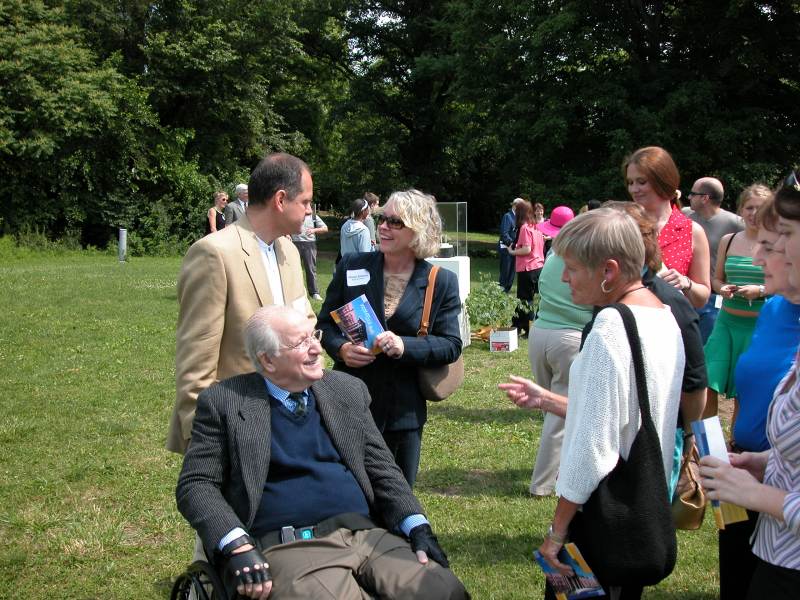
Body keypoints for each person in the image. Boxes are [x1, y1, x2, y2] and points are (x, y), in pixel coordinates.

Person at [176, 306, 467, 600]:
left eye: (313, 336)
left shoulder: (346, 390)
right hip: (290, 546)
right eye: (300, 343)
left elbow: (383, 469)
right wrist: (237, 545)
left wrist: (417, 525)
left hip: (365, 535)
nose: (317, 348)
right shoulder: (225, 402)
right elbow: (196, 484)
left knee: (444, 591)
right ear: (268, 360)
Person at [500, 208, 684, 599]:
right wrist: (550, 399)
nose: (564, 278)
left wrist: (557, 532)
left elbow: (592, 447)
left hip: (603, 519)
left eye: (572, 268)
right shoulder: (663, 314)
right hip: (641, 507)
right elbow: (628, 414)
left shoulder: (609, 329)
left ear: (609, 271)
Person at [167, 153, 315, 456]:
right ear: (281, 199)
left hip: (292, 423)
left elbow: (305, 320)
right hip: (236, 425)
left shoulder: (288, 250)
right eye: (306, 202)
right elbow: (196, 361)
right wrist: (207, 441)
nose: (309, 212)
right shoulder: (214, 254)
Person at [700, 169, 800, 600]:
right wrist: (764, 462)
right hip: (777, 551)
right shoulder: (779, 310)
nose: (756, 257)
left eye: (772, 245)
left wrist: (758, 495)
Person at [318, 189, 462, 486]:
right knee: (349, 495)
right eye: (383, 218)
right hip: (349, 402)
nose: (383, 226)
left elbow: (451, 344)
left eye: (396, 222)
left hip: (402, 412)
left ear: (419, 229)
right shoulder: (352, 266)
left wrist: (404, 345)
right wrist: (342, 349)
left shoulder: (440, 281)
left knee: (397, 498)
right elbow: (325, 324)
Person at [525, 206, 590, 497]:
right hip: (569, 339)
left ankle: (557, 467)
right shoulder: (583, 262)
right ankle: (543, 484)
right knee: (560, 414)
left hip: (540, 334)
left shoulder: (553, 257)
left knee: (551, 409)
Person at [703, 184, 770, 419]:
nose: (753, 213)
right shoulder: (728, 240)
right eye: (749, 207)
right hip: (726, 323)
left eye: (760, 208)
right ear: (741, 210)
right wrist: (723, 289)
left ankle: (736, 446)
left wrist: (760, 290)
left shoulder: (778, 243)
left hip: (759, 327)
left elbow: (790, 286)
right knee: (707, 382)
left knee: (745, 390)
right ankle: (708, 446)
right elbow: (716, 279)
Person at [623, 146, 711, 308]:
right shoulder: (622, 225)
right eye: (630, 182)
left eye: (642, 182)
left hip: (672, 326)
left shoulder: (692, 231)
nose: (634, 189)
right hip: (626, 322)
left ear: (663, 181)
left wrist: (686, 283)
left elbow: (703, 297)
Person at [684, 177, 744, 342]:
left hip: (713, 298)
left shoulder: (735, 223)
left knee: (705, 349)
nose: (689, 197)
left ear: (705, 198)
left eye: (692, 194)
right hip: (685, 292)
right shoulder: (685, 214)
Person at [508, 200, 545, 337]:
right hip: (538, 266)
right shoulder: (536, 226)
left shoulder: (524, 227)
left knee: (526, 300)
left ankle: (530, 330)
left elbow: (527, 249)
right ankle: (517, 325)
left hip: (527, 268)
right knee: (524, 299)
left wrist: (512, 252)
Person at [291, 205, 327, 301]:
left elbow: (325, 228)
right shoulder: (294, 215)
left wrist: (314, 230)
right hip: (294, 243)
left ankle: (314, 293)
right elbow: (285, 226)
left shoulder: (314, 217)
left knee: (311, 269)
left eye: (308, 205)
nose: (306, 208)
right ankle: (294, 292)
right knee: (293, 269)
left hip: (309, 244)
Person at [498, 198, 523, 292]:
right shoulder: (507, 216)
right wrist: (512, 244)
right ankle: (501, 290)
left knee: (512, 272)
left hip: (514, 249)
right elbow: (504, 233)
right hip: (506, 249)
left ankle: (506, 290)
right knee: (506, 271)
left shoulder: (518, 217)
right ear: (515, 205)